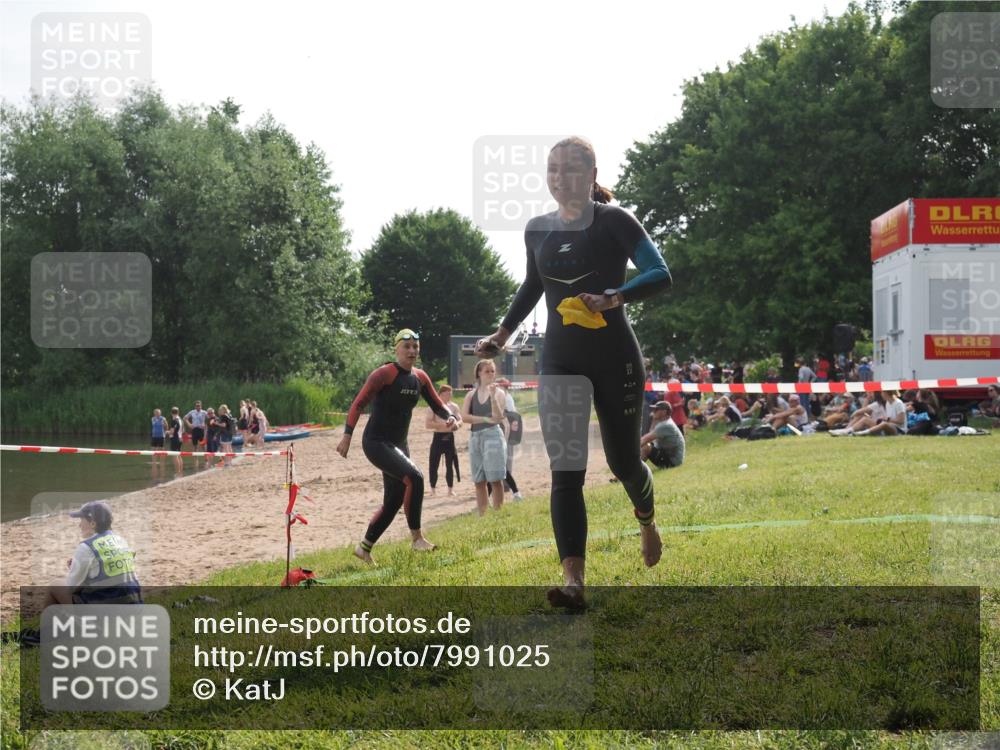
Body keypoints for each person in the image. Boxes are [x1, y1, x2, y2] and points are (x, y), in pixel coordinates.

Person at [476, 136, 672, 609]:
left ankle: (646, 518)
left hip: (615, 358)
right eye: (552, 169)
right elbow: (531, 285)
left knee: (624, 463)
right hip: (561, 361)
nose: (559, 178)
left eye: (569, 169)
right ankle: (574, 582)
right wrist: (501, 336)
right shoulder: (537, 229)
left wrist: (612, 297)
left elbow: (659, 272)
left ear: (590, 174)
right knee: (566, 471)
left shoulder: (615, 221)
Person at [337, 329, 457, 564]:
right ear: (396, 349)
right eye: (407, 347)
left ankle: (364, 548)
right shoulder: (384, 374)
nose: (412, 351)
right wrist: (347, 436)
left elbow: (437, 404)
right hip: (376, 442)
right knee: (416, 477)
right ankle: (417, 539)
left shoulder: (420, 377)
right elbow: (358, 403)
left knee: (394, 500)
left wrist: (450, 417)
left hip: (398, 444)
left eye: (415, 347)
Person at [43, 501, 141, 607]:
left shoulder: (86, 548)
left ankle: (47, 623)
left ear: (93, 523)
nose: (79, 525)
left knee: (55, 586)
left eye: (81, 520)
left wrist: (74, 569)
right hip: (134, 609)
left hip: (106, 617)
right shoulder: (121, 541)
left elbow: (72, 588)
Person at [462, 359, 509, 515]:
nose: (490, 374)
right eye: (487, 371)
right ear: (479, 373)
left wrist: (493, 397)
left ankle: (498, 514)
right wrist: (483, 419)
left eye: (492, 371)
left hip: (493, 436)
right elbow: (464, 417)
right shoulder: (471, 394)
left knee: (495, 479)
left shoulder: (499, 393)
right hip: (475, 436)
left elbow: (497, 417)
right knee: (479, 480)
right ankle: (483, 514)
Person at [425, 384, 463, 495]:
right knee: (434, 464)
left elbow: (460, 420)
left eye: (450, 394)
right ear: (440, 394)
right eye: (447, 394)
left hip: (450, 437)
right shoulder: (433, 407)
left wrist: (457, 425)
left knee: (450, 464)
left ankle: (450, 489)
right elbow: (428, 424)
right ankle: (433, 489)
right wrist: (443, 425)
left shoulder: (454, 406)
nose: (449, 396)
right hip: (438, 436)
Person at [640, 401, 685, 469]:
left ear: (664, 412)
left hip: (672, 462)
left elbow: (644, 439)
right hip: (670, 458)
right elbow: (648, 434)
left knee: (646, 447)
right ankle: (634, 470)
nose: (653, 411)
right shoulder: (665, 422)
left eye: (656, 409)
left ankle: (631, 471)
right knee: (646, 446)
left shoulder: (665, 425)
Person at [167, 406, 183, 472]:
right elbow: (182, 430)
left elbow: (172, 432)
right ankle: (181, 472)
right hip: (180, 439)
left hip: (175, 439)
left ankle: (177, 472)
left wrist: (166, 432)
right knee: (179, 455)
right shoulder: (180, 420)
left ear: (171, 413)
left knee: (174, 456)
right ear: (178, 412)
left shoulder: (174, 421)